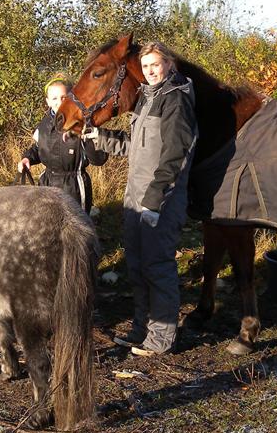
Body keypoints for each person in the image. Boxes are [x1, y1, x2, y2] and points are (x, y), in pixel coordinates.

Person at [84, 41, 197, 356]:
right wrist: (101, 138)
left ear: (168, 64)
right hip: (135, 196)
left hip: (161, 198)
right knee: (136, 265)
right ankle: (141, 329)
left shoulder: (176, 100)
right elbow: (137, 146)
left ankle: (161, 339)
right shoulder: (148, 97)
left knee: (157, 266)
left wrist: (154, 199)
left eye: (156, 64)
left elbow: (175, 155)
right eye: (146, 66)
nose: (150, 71)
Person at [17, 77, 106, 213]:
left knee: (75, 229)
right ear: (47, 101)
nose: (59, 102)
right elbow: (38, 148)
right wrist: (27, 158)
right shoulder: (44, 125)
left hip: (74, 186)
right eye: (54, 98)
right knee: (47, 225)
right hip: (47, 184)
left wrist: (87, 136)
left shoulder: (84, 123)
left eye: (64, 97)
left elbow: (99, 159)